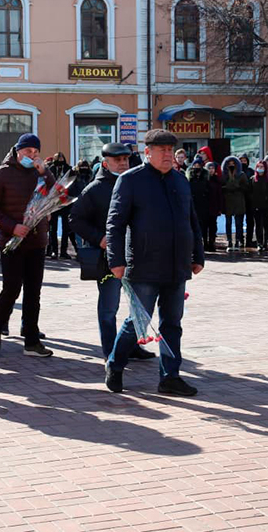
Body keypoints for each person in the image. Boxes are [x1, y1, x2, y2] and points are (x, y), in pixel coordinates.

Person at [104, 129, 204, 396]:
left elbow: (191, 220)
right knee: (138, 321)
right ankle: (115, 364)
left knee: (172, 323)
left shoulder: (180, 180)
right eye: (162, 150)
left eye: (170, 150)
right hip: (144, 264)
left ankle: (170, 377)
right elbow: (115, 224)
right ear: (147, 152)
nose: (168, 155)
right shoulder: (130, 180)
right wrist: (116, 260)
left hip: (177, 265)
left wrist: (198, 254)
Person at [70, 143, 155, 361]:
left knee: (139, 305)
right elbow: (75, 219)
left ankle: (131, 345)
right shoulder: (95, 189)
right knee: (109, 307)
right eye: (117, 160)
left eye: (125, 159)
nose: (123, 163)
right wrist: (99, 238)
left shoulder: (135, 184)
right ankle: (111, 351)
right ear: (105, 163)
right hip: (108, 259)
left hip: (136, 255)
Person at [0, 133, 55, 357]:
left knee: (34, 291)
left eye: (36, 152)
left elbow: (57, 195)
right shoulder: (2, 173)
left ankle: (31, 340)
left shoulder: (40, 173)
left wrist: (45, 172)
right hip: (12, 242)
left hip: (37, 240)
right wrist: (11, 227)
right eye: (28, 151)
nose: (32, 156)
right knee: (12, 288)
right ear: (18, 151)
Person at [47, 152, 75, 260]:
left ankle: (64, 251)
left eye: (61, 158)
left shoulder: (69, 169)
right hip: (53, 202)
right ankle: (54, 250)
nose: (60, 161)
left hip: (65, 202)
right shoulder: (51, 169)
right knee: (53, 228)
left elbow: (73, 184)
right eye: (58, 159)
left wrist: (67, 192)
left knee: (65, 228)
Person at [220, 155, 250, 251]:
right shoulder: (224, 175)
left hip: (238, 201)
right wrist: (227, 187)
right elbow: (221, 186)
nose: (231, 165)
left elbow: (246, 187)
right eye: (229, 164)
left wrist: (237, 187)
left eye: (233, 164)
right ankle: (229, 241)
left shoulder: (241, 174)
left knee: (239, 223)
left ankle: (238, 240)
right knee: (228, 223)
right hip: (228, 201)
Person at [187, 156, 212, 253]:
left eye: (198, 165)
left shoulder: (205, 177)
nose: (196, 167)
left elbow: (209, 191)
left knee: (204, 226)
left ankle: (205, 243)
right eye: (195, 165)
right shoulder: (190, 177)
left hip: (203, 205)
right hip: (193, 205)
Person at [251, 159, 268, 251]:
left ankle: (265, 242)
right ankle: (259, 243)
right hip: (256, 206)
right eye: (258, 167)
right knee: (258, 225)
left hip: (266, 206)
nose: (260, 168)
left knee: (266, 225)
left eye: (262, 167)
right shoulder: (253, 179)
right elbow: (250, 192)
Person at [239, 154, 256, 248]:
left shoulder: (251, 171)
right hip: (240, 199)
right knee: (239, 221)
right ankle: (240, 240)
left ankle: (249, 240)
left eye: (244, 161)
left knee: (250, 221)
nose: (243, 162)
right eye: (241, 161)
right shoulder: (237, 172)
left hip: (250, 199)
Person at [205, 161, 223, 252]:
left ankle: (212, 242)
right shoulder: (204, 179)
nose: (211, 170)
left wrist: (220, 207)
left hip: (214, 207)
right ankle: (205, 243)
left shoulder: (217, 180)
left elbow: (219, 194)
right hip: (205, 207)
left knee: (213, 226)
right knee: (204, 226)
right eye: (209, 168)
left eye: (212, 168)